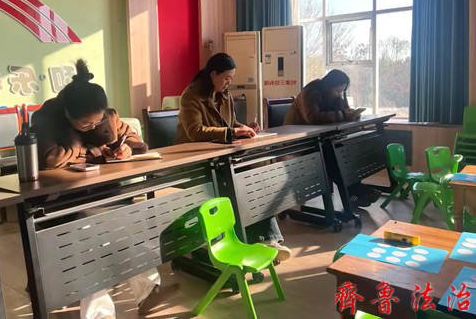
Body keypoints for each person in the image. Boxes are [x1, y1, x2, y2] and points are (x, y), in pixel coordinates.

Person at [31, 59, 179, 318]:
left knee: (130, 224)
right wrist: (92, 152)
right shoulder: (45, 117)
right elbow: (50, 158)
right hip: (64, 200)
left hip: (104, 192)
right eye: (85, 125)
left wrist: (126, 147)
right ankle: (99, 313)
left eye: (97, 122)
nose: (93, 127)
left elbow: (131, 137)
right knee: (87, 242)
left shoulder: (106, 116)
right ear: (68, 114)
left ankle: (148, 290)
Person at [175, 53, 291, 262]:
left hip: (222, 157)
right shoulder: (190, 96)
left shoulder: (225, 95)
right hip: (195, 160)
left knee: (254, 180)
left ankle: (267, 240)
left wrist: (244, 127)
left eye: (231, 78)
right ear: (213, 74)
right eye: (226, 78)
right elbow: (195, 131)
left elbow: (230, 123)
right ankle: (257, 240)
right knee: (238, 183)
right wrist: (232, 132)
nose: (229, 83)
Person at [283, 69, 380, 207]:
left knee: (345, 151)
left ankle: (355, 190)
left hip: (319, 138)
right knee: (333, 155)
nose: (339, 95)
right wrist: (343, 115)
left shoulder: (332, 94)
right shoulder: (311, 92)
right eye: (337, 92)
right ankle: (354, 192)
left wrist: (351, 114)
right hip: (299, 140)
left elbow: (343, 110)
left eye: (341, 92)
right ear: (330, 85)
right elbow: (312, 117)